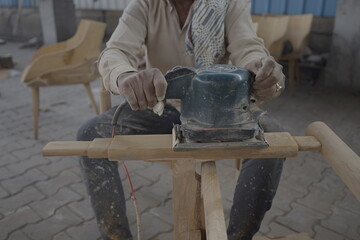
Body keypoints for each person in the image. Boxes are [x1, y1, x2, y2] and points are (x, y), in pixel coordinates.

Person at [77, 0, 286, 239]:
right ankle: (115, 236)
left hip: (218, 107)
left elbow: (249, 48)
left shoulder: (228, 4)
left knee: (273, 135)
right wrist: (125, 75)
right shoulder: (144, 4)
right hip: (163, 104)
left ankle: (239, 235)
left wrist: (260, 70)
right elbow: (116, 51)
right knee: (90, 134)